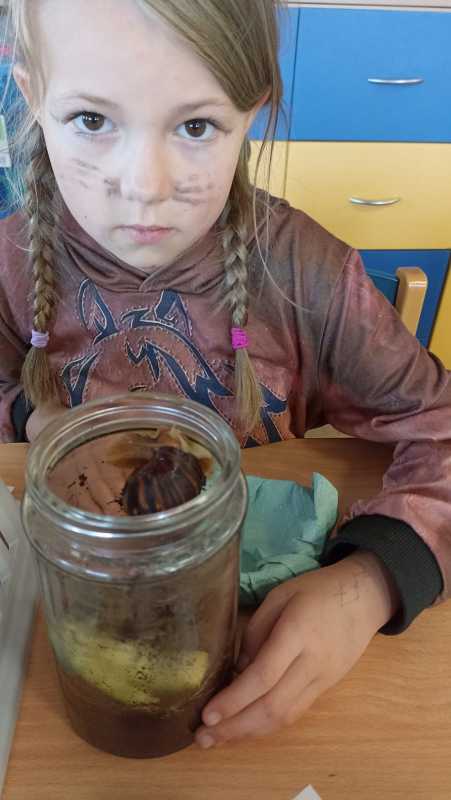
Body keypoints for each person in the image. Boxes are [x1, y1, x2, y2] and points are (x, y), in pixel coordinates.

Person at [1, 0, 450, 749]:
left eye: (196, 126)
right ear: (32, 93)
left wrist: (372, 580)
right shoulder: (12, 266)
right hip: (68, 628)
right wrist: (30, 415)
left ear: (254, 111)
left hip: (242, 639)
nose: (144, 186)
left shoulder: (308, 277)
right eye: (91, 119)